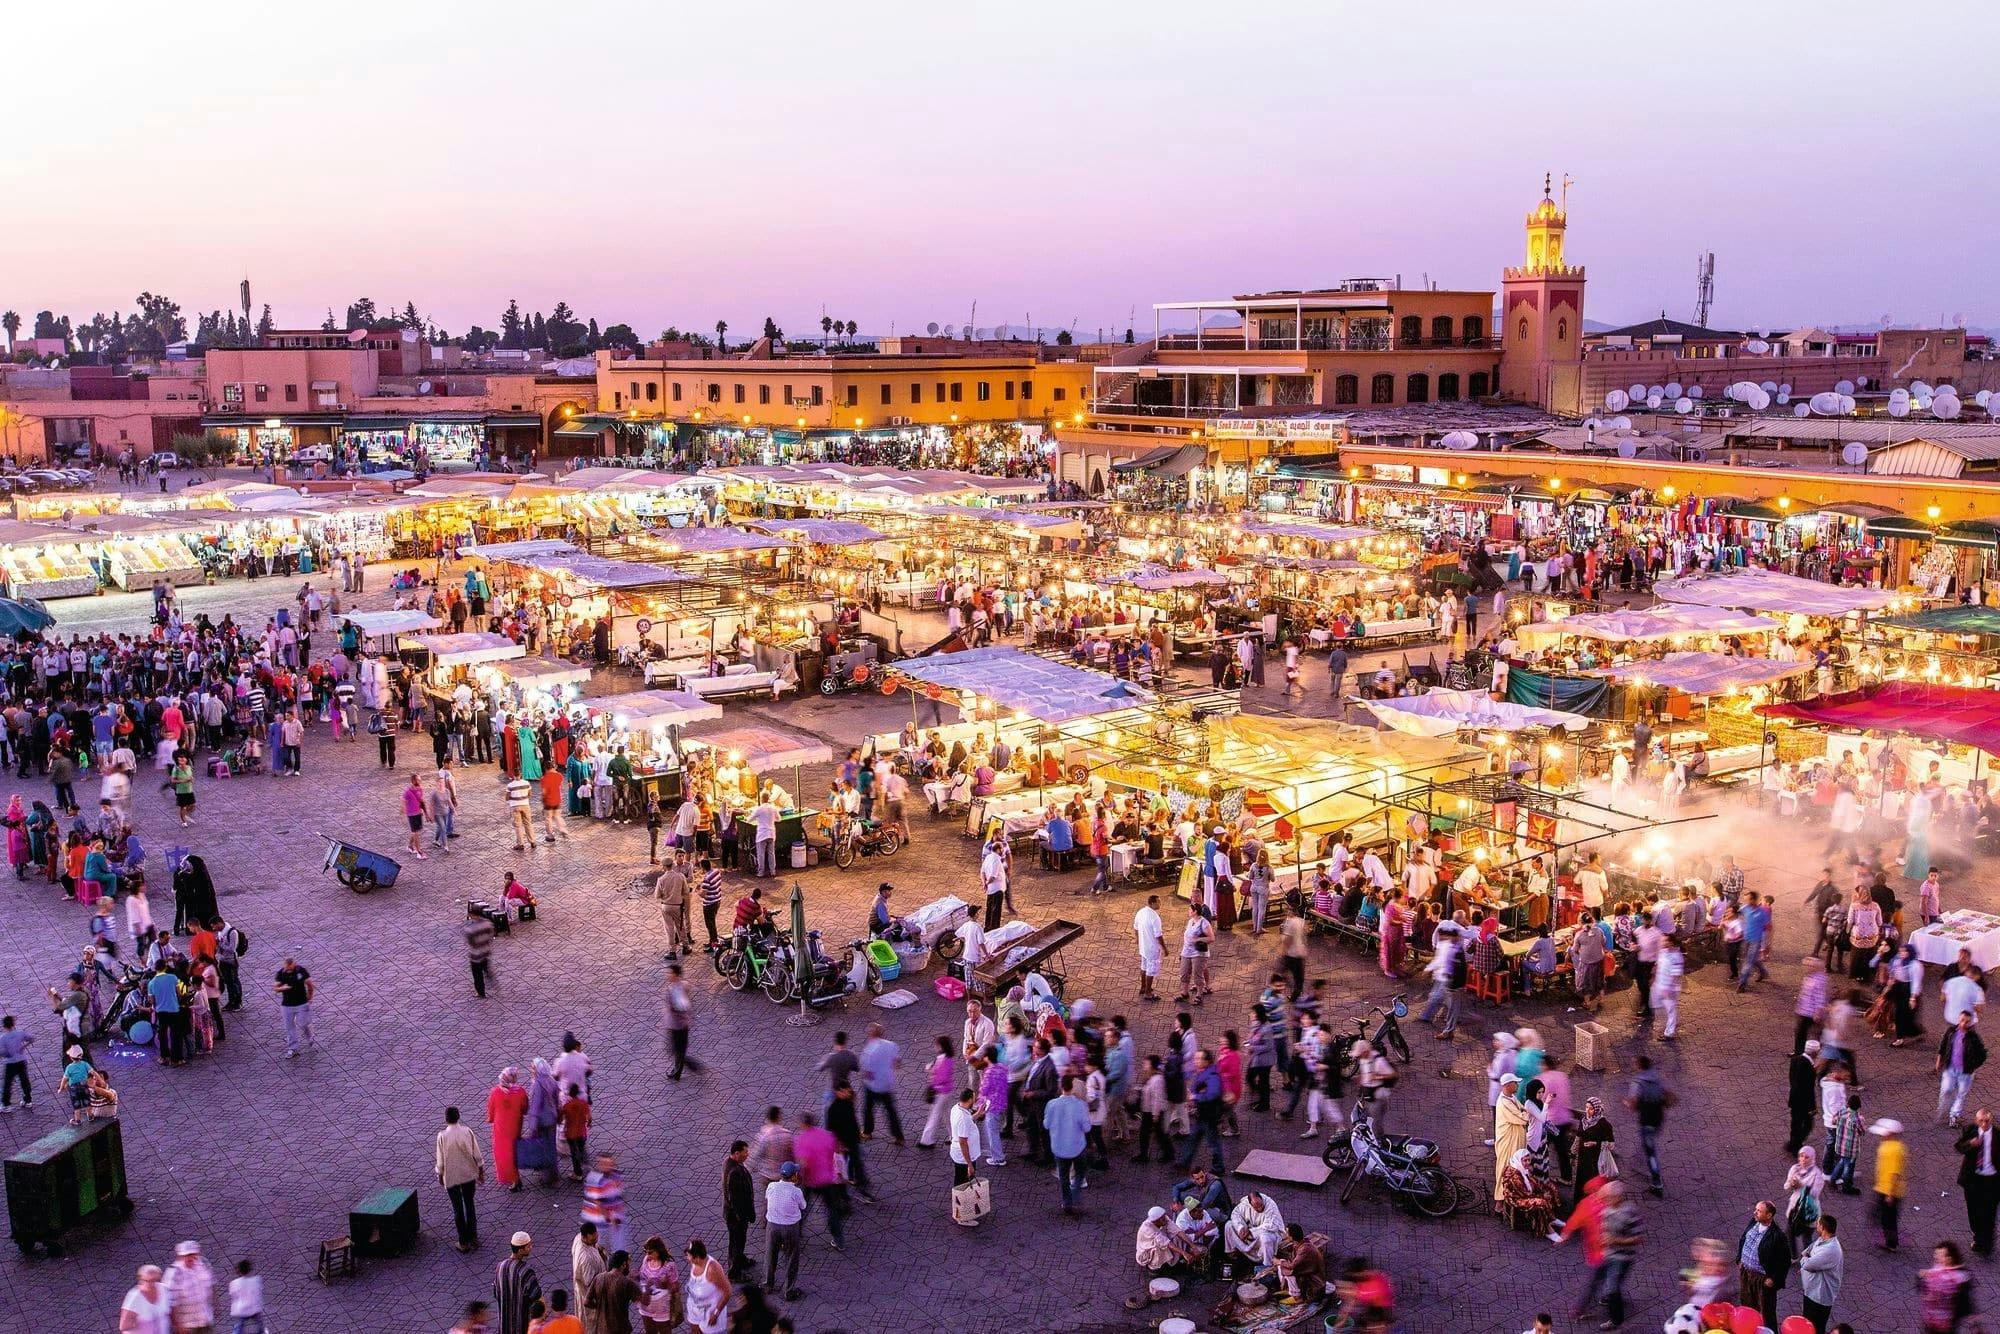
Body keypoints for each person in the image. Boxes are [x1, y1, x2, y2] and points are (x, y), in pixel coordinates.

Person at [1737, 1199, 1791, 1332]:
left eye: (1759, 1211)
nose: (1755, 1213)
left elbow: (1784, 1261)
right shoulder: (1753, 1222)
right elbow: (1743, 1239)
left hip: (1762, 1279)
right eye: (1756, 1209)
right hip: (1746, 1274)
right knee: (1747, 1306)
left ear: (1769, 1215)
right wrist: (1739, 1259)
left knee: (1766, 1312)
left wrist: (1773, 1279)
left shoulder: (1777, 1236)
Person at [437, 1105, 486, 1252]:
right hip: (468, 1174)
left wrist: (440, 1175)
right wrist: (480, 1171)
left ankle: (463, 1242)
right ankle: (473, 1237)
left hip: (451, 1176)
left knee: (457, 1208)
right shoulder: (467, 1131)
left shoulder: (442, 1136)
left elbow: (440, 1162)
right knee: (469, 1204)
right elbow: (477, 1154)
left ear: (446, 1119)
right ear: (458, 1117)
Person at [1955, 1105, 2000, 1256]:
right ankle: (1978, 1235)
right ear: (1976, 1121)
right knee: (1973, 1210)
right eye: (1981, 1121)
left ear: (1991, 1120)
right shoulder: (1970, 1131)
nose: (1984, 1124)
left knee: (1989, 1212)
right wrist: (1970, 1144)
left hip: (1992, 1179)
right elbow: (1958, 1147)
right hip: (1973, 1179)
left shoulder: (1998, 1135)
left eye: (1987, 1121)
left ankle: (1986, 1244)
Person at [1045, 1073, 1092, 1212]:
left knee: (1063, 1176)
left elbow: (1046, 1124)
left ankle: (1067, 1202)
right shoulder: (1081, 1105)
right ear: (1072, 1087)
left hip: (1058, 1147)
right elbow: (1087, 1128)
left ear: (1061, 1087)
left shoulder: (1051, 1104)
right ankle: (1075, 1194)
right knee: (1080, 1173)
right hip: (1077, 1147)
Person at [1625, 1055, 1672, 1197]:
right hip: (1658, 1118)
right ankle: (1644, 1154)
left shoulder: (1637, 1083)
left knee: (1651, 1152)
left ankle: (1657, 1183)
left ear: (1639, 1066)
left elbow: (1633, 1105)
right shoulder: (1658, 1077)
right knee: (1648, 1142)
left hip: (1647, 1120)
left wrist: (1627, 1103)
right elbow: (1670, 1096)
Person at [1939, 1012, 1987, 1128]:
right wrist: (1939, 1060)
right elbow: (1943, 1046)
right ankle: (1944, 1107)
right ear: (1958, 1019)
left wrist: (1973, 1065)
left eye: (1967, 1021)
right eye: (1962, 1020)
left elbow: (1982, 1054)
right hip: (1950, 1068)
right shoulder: (1951, 1032)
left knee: (1961, 1094)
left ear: (1970, 1023)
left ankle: (1954, 1116)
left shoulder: (1973, 1038)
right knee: (1946, 1089)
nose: (1964, 1023)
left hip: (1965, 1072)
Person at [1799, 1214, 1844, 1333]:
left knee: (1815, 1327)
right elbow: (1807, 1250)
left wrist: (1804, 1260)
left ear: (1823, 1228)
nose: (1816, 1225)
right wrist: (1806, 1258)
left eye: (1818, 1224)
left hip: (1819, 1297)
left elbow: (1807, 1264)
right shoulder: (1821, 1240)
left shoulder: (1831, 1249)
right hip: (1811, 1292)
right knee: (1807, 1325)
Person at [1919, 1240, 1975, 1333]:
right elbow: (1923, 1289)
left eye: (1940, 1255)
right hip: (1931, 1321)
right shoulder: (1938, 1268)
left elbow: (1965, 1302)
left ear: (1950, 1258)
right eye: (1936, 1254)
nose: (1936, 1257)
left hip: (1946, 1324)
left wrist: (1973, 1322)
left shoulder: (1960, 1277)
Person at [1870, 1116, 1906, 1252]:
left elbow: (1895, 1173)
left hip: (1889, 1190)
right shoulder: (1890, 1146)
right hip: (1883, 1187)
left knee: (1888, 1218)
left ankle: (1891, 1243)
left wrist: (1890, 1194)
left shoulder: (1894, 1150)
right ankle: (1890, 1240)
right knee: (1886, 1216)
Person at [496, 1232, 543, 1334]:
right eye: (528, 1246)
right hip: (520, 1325)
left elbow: (496, 1292)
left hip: (503, 1325)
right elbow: (536, 1295)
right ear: (520, 1250)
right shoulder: (526, 1271)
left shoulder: (500, 1266)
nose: (531, 1248)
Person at [584, 1250, 640, 1334]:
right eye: (629, 1264)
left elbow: (586, 1302)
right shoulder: (627, 1283)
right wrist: (647, 1286)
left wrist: (600, 1307)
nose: (629, 1267)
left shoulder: (598, 1278)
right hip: (620, 1329)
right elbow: (645, 1301)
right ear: (623, 1265)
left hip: (601, 1329)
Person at [722, 1141, 755, 1281]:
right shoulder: (734, 1172)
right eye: (745, 1152)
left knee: (737, 1240)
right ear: (736, 1153)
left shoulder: (729, 1163)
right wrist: (741, 1216)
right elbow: (734, 1198)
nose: (747, 1154)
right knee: (737, 1241)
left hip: (734, 1214)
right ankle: (734, 1272)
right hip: (736, 1216)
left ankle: (740, 1259)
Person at [166, 1239, 215, 1334]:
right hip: (187, 1326)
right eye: (188, 1255)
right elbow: (171, 1303)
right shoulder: (173, 1273)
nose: (192, 1257)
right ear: (180, 1256)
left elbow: (210, 1285)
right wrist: (178, 1325)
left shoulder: (202, 1266)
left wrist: (214, 1305)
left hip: (205, 1320)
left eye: (194, 1254)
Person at [682, 1240, 730, 1334]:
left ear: (697, 1257)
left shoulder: (713, 1269)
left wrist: (716, 1313)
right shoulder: (695, 1263)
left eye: (689, 1256)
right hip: (695, 1311)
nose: (687, 1258)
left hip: (710, 1315)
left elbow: (727, 1292)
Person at [273, 954, 313, 1058]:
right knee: (289, 1027)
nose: (289, 970)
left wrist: (309, 997)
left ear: (294, 965)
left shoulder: (301, 971)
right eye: (287, 969)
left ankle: (309, 1035)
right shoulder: (281, 973)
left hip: (301, 1003)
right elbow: (276, 988)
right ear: (284, 966)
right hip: (287, 1005)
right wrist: (282, 988)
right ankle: (293, 1048)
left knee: (303, 1023)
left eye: (291, 968)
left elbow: (309, 984)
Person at [570, 1224, 606, 1333]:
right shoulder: (586, 1258)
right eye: (593, 1240)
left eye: (596, 1237)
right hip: (590, 1297)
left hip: (584, 1291)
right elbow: (590, 1283)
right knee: (591, 1325)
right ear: (584, 1237)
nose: (595, 1241)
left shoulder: (579, 1238)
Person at [120, 1264, 171, 1334]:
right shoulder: (134, 1297)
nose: (152, 1284)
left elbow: (170, 1310)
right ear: (141, 1280)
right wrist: (145, 1325)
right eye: (147, 1281)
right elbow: (123, 1326)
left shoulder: (164, 1289)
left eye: (154, 1280)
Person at [1133, 894, 1165, 1001]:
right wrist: (1164, 948)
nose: (1160, 903)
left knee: (1144, 967)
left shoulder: (1140, 912)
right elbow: (1158, 935)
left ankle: (1143, 987)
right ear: (1152, 903)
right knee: (1151, 970)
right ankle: (1148, 993)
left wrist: (1138, 939)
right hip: (1152, 948)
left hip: (1143, 947)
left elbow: (1135, 927)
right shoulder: (1155, 917)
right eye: (1158, 902)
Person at [228, 1257, 265, 1334]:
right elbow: (259, 1291)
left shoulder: (234, 1283)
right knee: (260, 1325)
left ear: (239, 1271)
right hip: (254, 1308)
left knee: (238, 1326)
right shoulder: (257, 1280)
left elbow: (233, 1295)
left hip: (241, 1309)